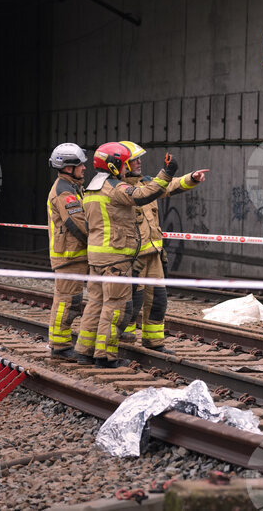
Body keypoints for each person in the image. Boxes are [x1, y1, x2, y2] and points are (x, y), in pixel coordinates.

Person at [74, 141, 178, 368]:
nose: (125, 169)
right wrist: (167, 173)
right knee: (115, 309)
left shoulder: (91, 188)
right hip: (117, 258)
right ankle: (106, 356)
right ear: (113, 166)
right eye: (122, 164)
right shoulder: (116, 188)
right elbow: (142, 194)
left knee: (95, 306)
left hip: (97, 259)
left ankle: (84, 351)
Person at [118, 140, 207, 351]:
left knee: (157, 301)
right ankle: (123, 344)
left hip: (153, 255)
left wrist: (191, 178)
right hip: (133, 257)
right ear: (122, 164)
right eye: (134, 160)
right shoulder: (120, 190)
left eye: (139, 159)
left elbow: (171, 185)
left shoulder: (146, 185)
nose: (139, 162)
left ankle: (154, 343)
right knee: (132, 302)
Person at [46, 142, 88, 361]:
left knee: (69, 299)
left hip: (72, 254)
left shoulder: (71, 187)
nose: (84, 168)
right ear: (68, 167)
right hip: (68, 256)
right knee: (66, 301)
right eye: (80, 164)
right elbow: (77, 223)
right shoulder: (64, 191)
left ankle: (60, 342)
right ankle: (60, 346)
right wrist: (97, 240)